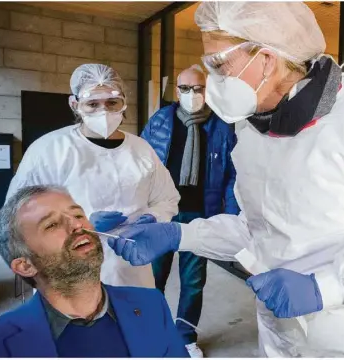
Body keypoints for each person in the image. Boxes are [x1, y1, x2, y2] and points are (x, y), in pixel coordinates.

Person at [99, 2, 344, 357]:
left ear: (267, 59)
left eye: (219, 66)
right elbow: (255, 229)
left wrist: (325, 288)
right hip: (277, 336)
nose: (212, 83)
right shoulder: (252, 130)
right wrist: (181, 234)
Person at [0, 185, 189, 358]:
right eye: (51, 224)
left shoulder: (151, 304)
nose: (77, 225)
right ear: (25, 265)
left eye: (77, 214)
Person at [5, 64, 180, 289]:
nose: (103, 112)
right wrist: (79, 222)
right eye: (92, 104)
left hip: (131, 268)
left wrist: (153, 217)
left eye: (111, 103)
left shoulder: (141, 149)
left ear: (124, 102)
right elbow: (19, 213)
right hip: (68, 270)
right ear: (75, 105)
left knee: (132, 318)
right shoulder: (50, 150)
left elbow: (167, 198)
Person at [139, 64, 239, 357]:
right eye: (185, 88)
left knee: (193, 281)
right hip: (162, 215)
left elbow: (234, 174)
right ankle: (152, 332)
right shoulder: (159, 121)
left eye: (198, 88)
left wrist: (228, 216)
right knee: (153, 277)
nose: (191, 94)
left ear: (207, 90)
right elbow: (141, 164)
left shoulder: (222, 126)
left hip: (200, 216)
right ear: (176, 90)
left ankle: (185, 336)